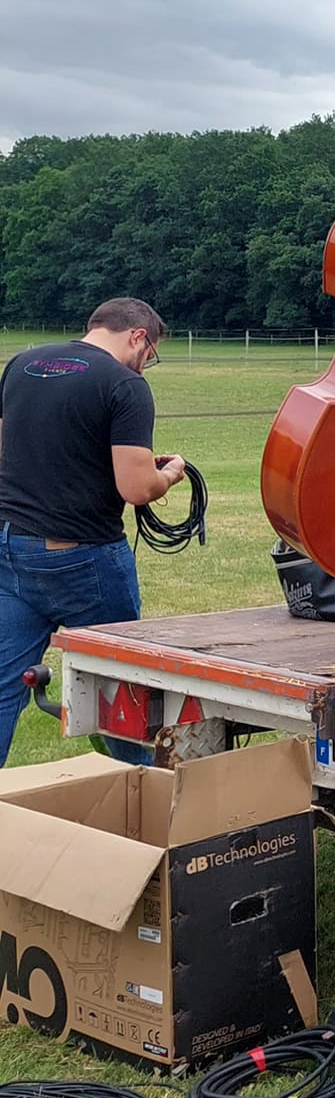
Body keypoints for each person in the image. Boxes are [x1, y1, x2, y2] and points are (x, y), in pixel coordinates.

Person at [0, 299, 186, 765]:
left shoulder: (22, 365)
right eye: (151, 353)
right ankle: (137, 793)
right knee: (121, 685)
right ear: (138, 336)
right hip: (83, 557)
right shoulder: (125, 384)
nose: (147, 364)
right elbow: (137, 487)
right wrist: (170, 474)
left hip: (10, 546)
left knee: (3, 687)